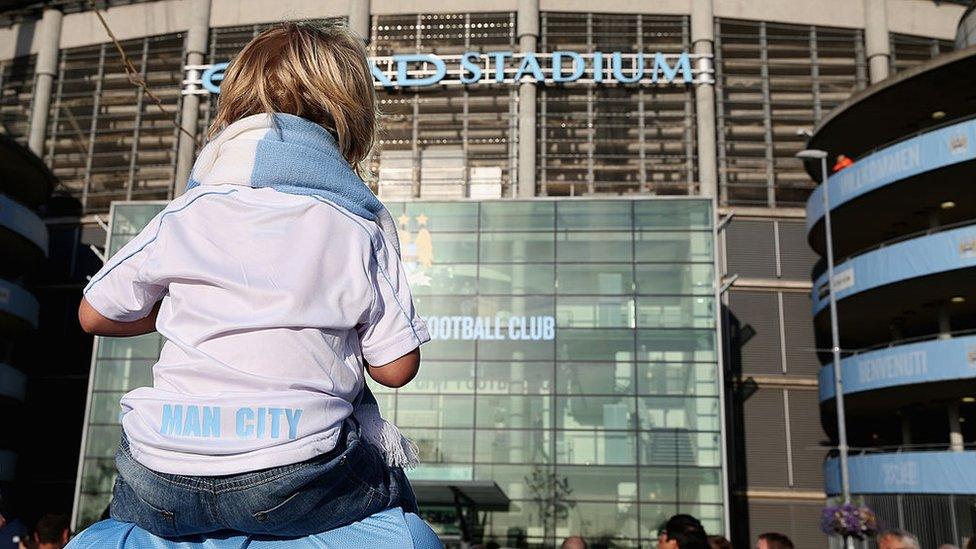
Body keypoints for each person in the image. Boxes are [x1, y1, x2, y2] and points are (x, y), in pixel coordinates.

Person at [78, 22, 430, 538]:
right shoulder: (358, 226)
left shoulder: (186, 213)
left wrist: (183, 307)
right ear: (349, 118)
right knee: (391, 490)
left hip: (160, 477)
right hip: (293, 477)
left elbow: (94, 313)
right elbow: (396, 368)